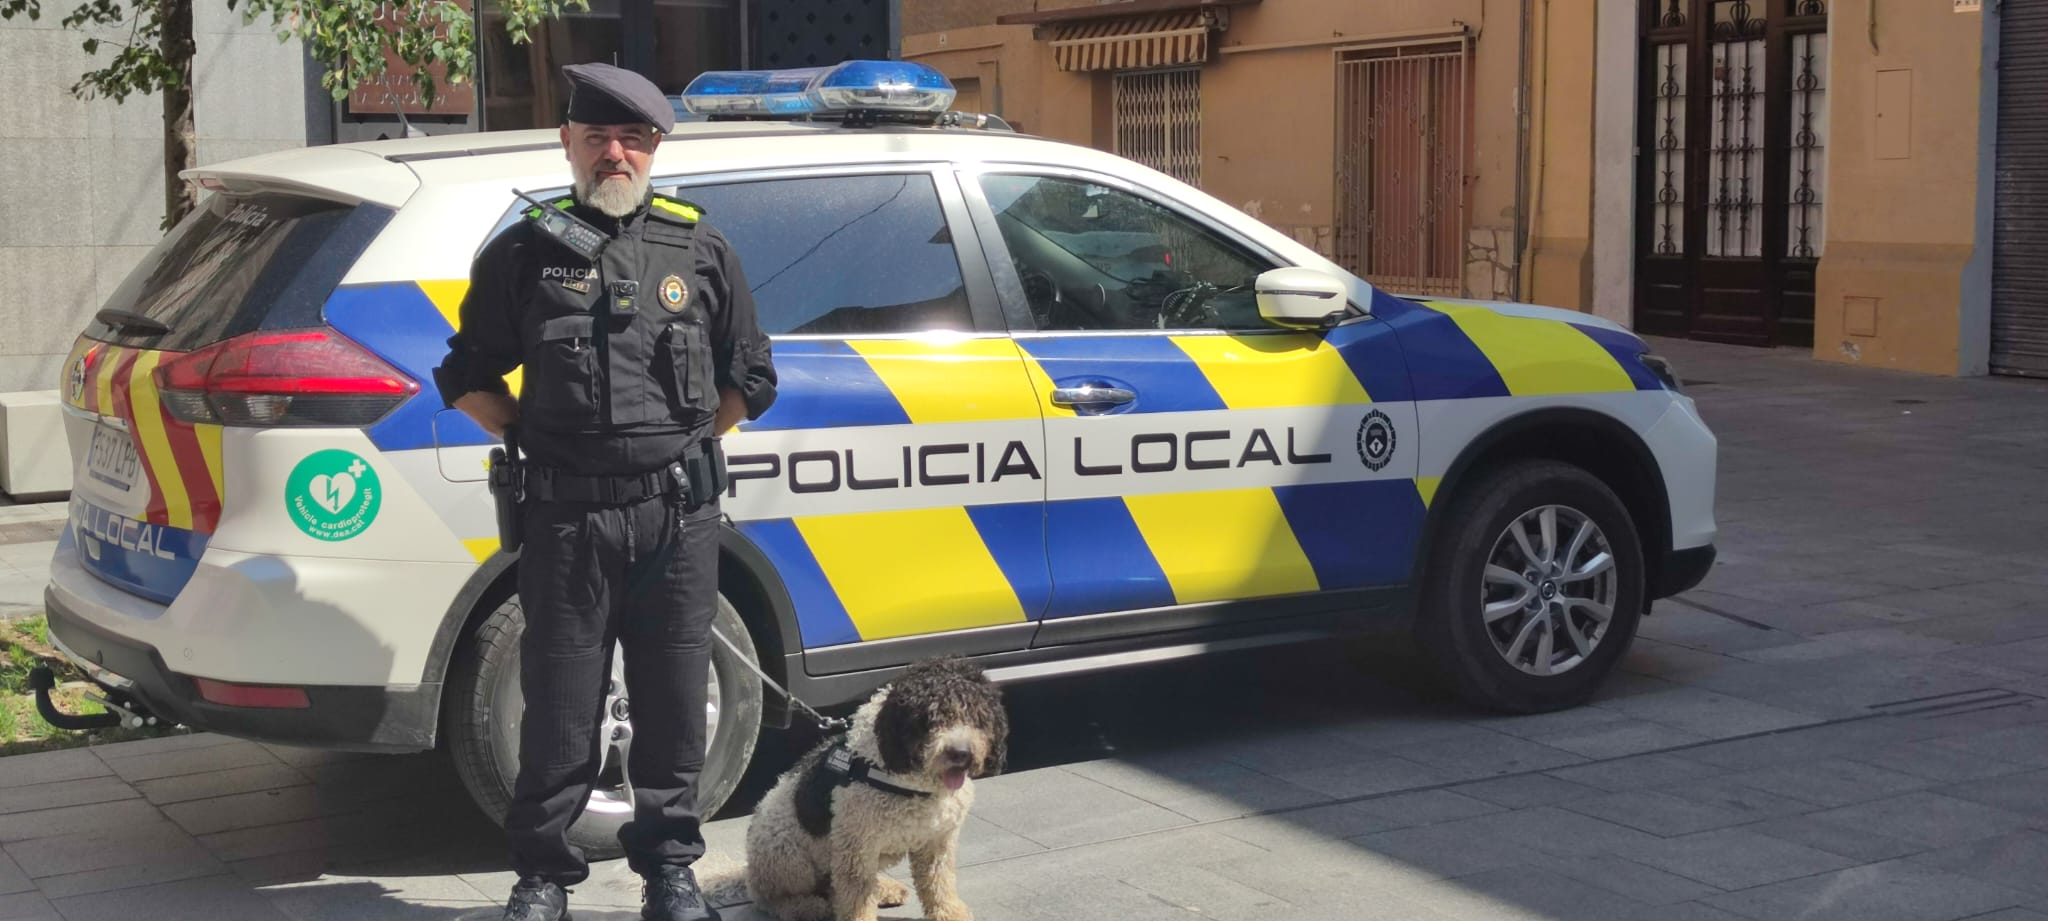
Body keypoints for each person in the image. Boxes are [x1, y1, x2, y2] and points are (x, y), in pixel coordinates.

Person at [433, 61, 777, 921]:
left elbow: (750, 377)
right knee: (558, 705)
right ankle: (543, 877)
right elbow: (466, 375)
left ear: (654, 148)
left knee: (673, 703)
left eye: (631, 139)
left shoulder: (700, 248)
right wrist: (531, 437)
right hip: (567, 517)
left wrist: (686, 451)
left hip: (677, 517)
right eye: (597, 138)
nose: (614, 154)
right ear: (568, 143)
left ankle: (671, 873)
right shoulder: (523, 253)